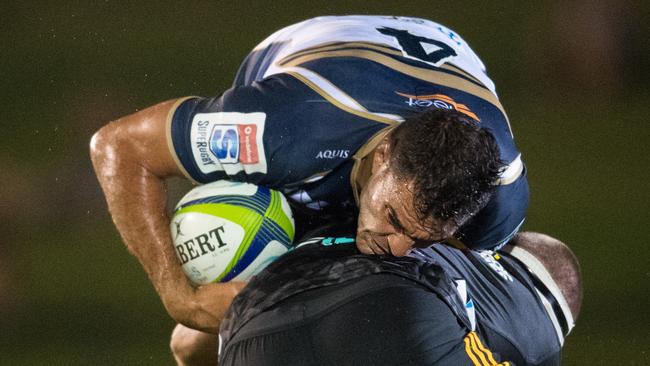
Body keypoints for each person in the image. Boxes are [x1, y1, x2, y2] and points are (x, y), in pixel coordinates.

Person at [90, 15, 528, 362]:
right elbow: (118, 147)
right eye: (395, 220)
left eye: (421, 237)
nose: (398, 247)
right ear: (382, 156)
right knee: (192, 344)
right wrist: (181, 298)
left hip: (437, 60)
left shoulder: (497, 199)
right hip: (314, 61)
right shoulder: (286, 130)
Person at [212, 231, 581, 365]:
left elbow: (187, 342)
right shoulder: (537, 330)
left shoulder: (447, 242)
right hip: (390, 310)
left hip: (252, 323)